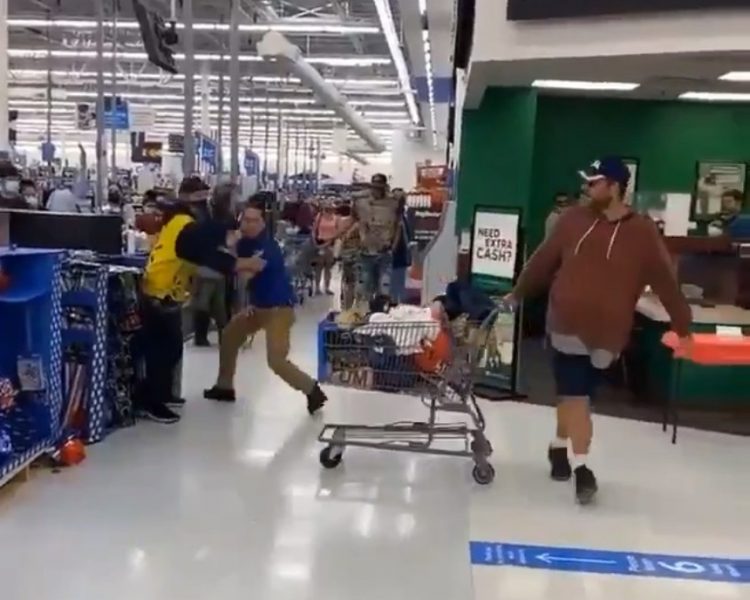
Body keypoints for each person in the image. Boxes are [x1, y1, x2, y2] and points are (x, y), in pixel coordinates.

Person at [507, 157, 692, 505]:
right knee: (576, 395)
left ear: (616, 187)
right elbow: (542, 261)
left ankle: (558, 446)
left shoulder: (642, 232)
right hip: (565, 323)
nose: (587, 188)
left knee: (577, 396)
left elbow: (665, 280)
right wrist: (517, 294)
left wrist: (683, 325)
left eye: (594, 182)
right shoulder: (571, 220)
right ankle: (583, 468)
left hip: (609, 333)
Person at [203, 195, 328, 415]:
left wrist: (228, 257)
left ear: (262, 223)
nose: (248, 224)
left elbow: (246, 277)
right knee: (231, 335)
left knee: (276, 360)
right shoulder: (245, 243)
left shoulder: (266, 247)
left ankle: (312, 390)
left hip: (279, 310)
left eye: (254, 220)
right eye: (245, 220)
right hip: (259, 307)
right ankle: (224, 386)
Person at [139, 196, 255, 424]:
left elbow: (204, 249)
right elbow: (206, 254)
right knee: (163, 351)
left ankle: (161, 395)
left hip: (162, 291)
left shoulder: (178, 225)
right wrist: (238, 261)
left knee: (169, 348)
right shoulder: (185, 227)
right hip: (159, 294)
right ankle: (152, 402)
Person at [191, 183, 236, 346]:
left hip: (204, 264)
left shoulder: (204, 216)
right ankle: (225, 336)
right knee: (220, 304)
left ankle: (201, 336)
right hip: (220, 266)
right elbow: (231, 243)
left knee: (204, 301)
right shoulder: (229, 220)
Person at [351, 173, 399, 298]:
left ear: (385, 187)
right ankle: (365, 311)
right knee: (365, 284)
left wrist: (393, 245)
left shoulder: (393, 202)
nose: (376, 190)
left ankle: (381, 311)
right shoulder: (361, 202)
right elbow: (355, 218)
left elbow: (397, 224)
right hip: (366, 250)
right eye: (374, 187)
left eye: (379, 187)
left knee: (384, 286)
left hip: (385, 249)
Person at [311, 199, 339, 295]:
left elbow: (337, 232)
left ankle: (327, 287)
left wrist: (330, 241)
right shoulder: (319, 217)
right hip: (320, 243)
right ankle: (317, 288)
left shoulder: (335, 218)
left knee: (328, 268)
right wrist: (315, 242)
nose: (329, 210)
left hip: (330, 244)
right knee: (319, 267)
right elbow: (314, 230)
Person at [390, 190, 412, 303]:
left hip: (402, 255)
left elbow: (407, 235)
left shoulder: (403, 216)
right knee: (392, 283)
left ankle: (399, 304)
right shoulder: (391, 216)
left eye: (402, 200)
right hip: (392, 254)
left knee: (400, 282)